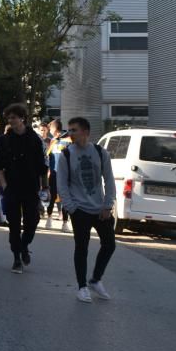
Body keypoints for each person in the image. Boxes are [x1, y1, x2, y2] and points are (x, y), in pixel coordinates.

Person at [57, 117, 117, 303]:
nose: (71, 134)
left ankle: (95, 279)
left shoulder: (100, 152)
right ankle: (82, 287)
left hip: (100, 209)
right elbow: (62, 185)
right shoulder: (66, 154)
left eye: (74, 130)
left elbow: (109, 180)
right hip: (80, 209)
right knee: (81, 248)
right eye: (70, 130)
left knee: (109, 244)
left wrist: (108, 205)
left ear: (85, 132)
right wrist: (71, 208)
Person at [0, 103, 49, 273]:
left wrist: (45, 187)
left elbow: (43, 166)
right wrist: (3, 183)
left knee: (32, 221)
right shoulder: (4, 140)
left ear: (22, 118)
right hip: (11, 187)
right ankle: (16, 258)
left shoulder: (35, 139)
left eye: (14, 117)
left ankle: (24, 245)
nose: (11, 121)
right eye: (9, 118)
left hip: (31, 186)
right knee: (14, 224)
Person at [45, 119, 72, 230]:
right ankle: (49, 219)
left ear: (55, 129)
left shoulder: (69, 140)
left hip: (65, 175)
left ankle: (65, 222)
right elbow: (48, 157)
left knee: (65, 198)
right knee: (52, 197)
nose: (49, 131)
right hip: (53, 174)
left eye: (50, 129)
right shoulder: (53, 141)